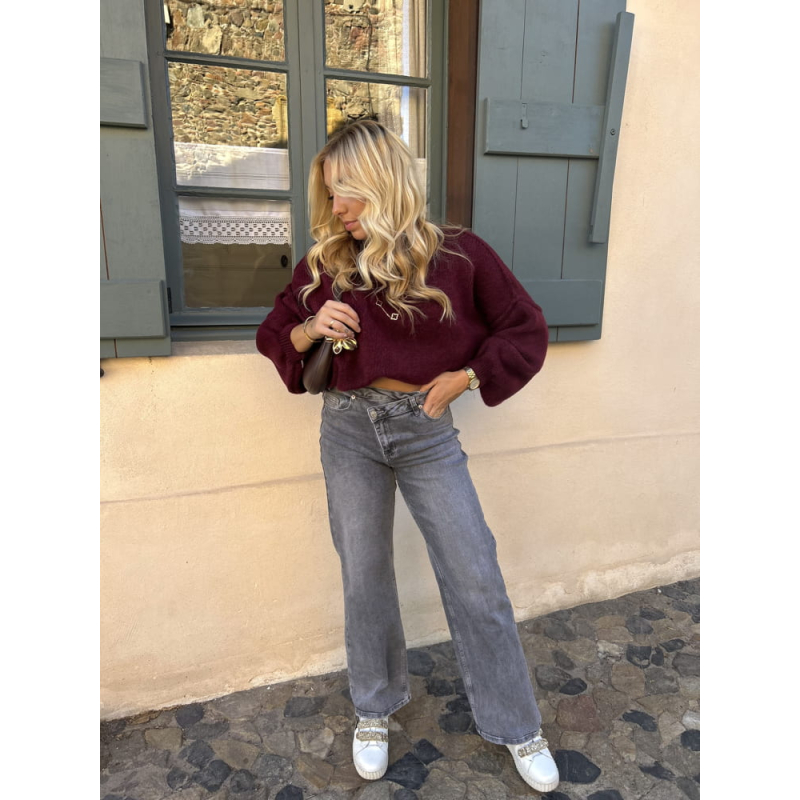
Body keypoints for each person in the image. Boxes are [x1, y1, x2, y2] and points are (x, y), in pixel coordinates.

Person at [256, 120, 559, 793]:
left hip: (424, 430)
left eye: (348, 191)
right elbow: (274, 333)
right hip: (347, 429)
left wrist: (469, 377)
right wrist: (309, 327)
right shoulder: (326, 263)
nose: (337, 207)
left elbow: (525, 327)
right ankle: (375, 708)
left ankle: (517, 723)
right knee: (364, 575)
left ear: (384, 182)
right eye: (331, 193)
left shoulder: (459, 256)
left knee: (475, 575)